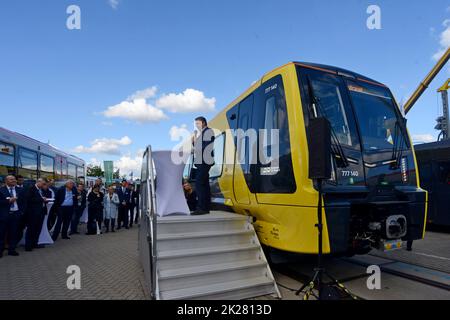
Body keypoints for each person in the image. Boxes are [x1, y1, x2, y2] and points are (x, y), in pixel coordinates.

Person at [192, 116, 215, 215]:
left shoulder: (208, 131)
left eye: (198, 123)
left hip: (205, 161)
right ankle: (205, 208)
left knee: (199, 183)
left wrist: (196, 146)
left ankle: (202, 208)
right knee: (204, 184)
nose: (197, 125)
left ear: (204, 123)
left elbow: (206, 147)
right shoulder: (203, 133)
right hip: (203, 161)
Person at [0, 175, 25, 257]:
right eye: (11, 179)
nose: (14, 180)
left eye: (14, 179)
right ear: (6, 181)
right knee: (2, 234)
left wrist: (21, 212)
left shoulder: (20, 190)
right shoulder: (1, 190)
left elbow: (24, 202)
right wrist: (8, 201)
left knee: (14, 233)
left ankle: (12, 250)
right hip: (4, 215)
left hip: (16, 215)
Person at [24, 178, 48, 251]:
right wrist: (41, 199)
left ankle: (35, 243)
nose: (44, 185)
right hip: (33, 213)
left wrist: (45, 200)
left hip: (41, 212)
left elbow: (42, 199)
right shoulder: (31, 189)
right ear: (38, 182)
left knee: (38, 229)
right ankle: (28, 246)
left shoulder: (42, 190)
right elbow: (29, 200)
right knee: (31, 229)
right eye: (43, 183)